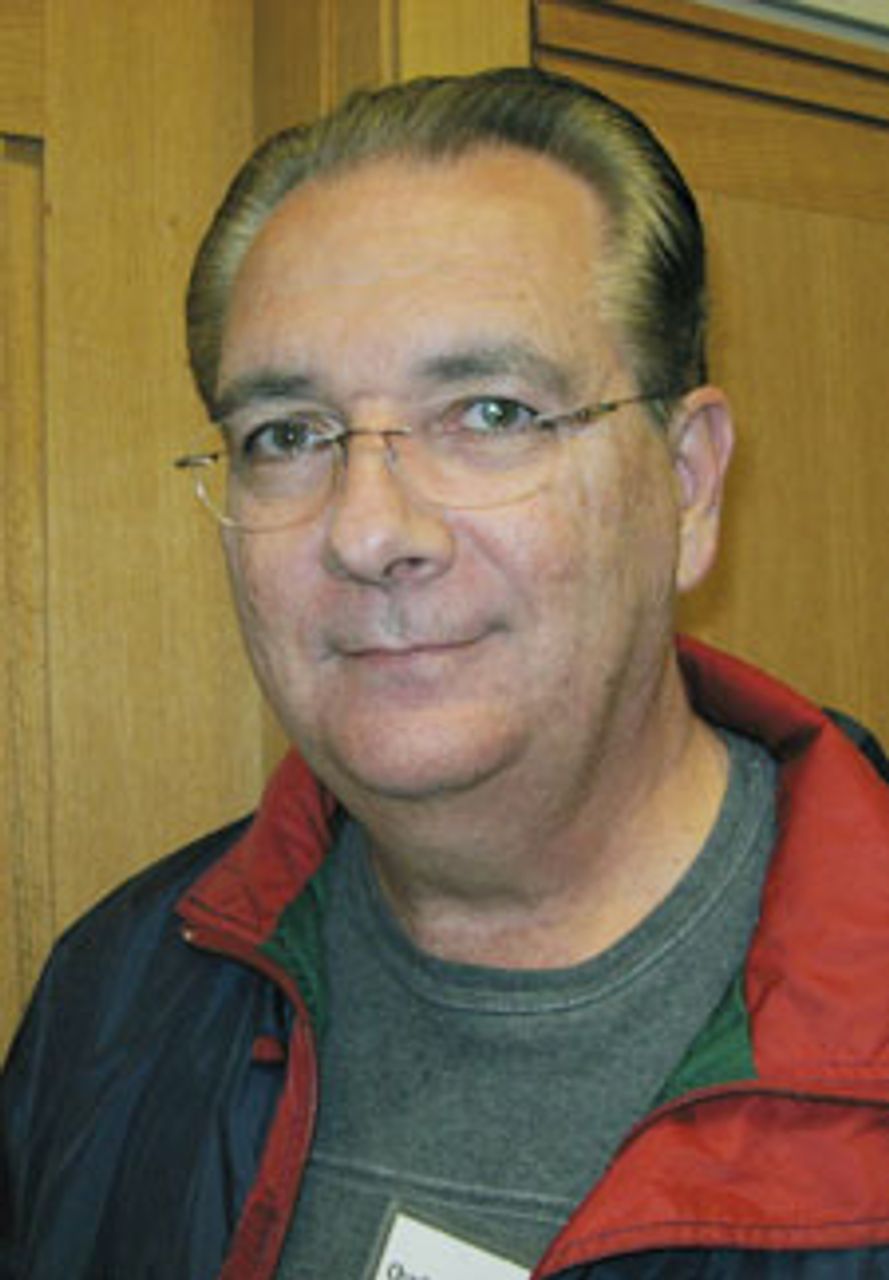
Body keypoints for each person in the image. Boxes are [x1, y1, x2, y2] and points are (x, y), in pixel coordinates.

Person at [3, 66, 889, 1280]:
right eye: (287, 435)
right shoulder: (117, 994)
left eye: (490, 413)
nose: (368, 531)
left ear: (686, 485)